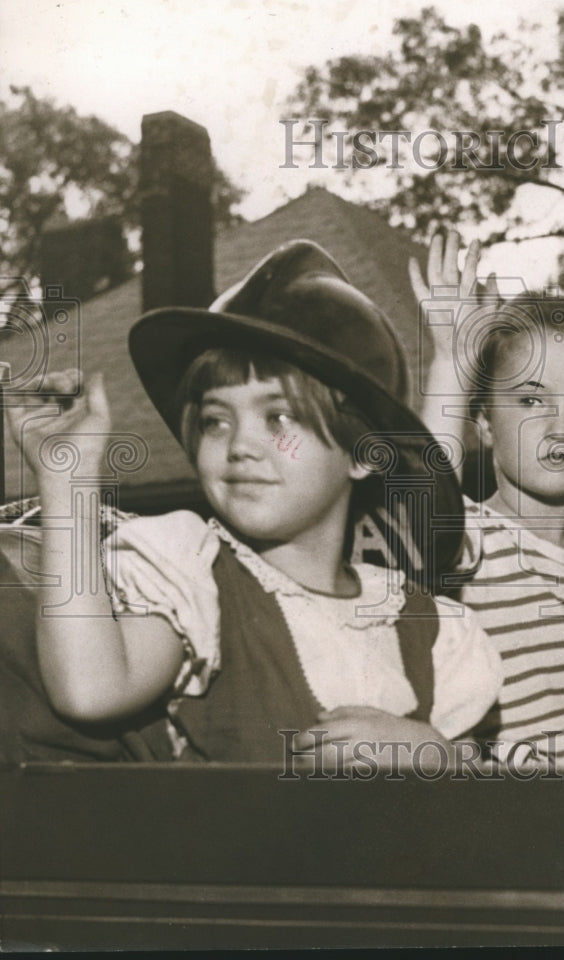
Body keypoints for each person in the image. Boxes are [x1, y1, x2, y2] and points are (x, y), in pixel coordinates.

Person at [9, 240, 501, 765]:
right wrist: (67, 476)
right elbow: (90, 689)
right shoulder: (197, 579)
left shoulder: (427, 626)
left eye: (279, 418)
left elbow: (421, 515)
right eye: (216, 419)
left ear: (363, 453)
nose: (240, 445)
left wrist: (440, 757)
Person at [413, 243, 564, 773]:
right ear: (482, 420)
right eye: (529, 401)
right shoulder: (467, 537)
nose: (559, 427)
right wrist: (452, 363)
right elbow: (423, 499)